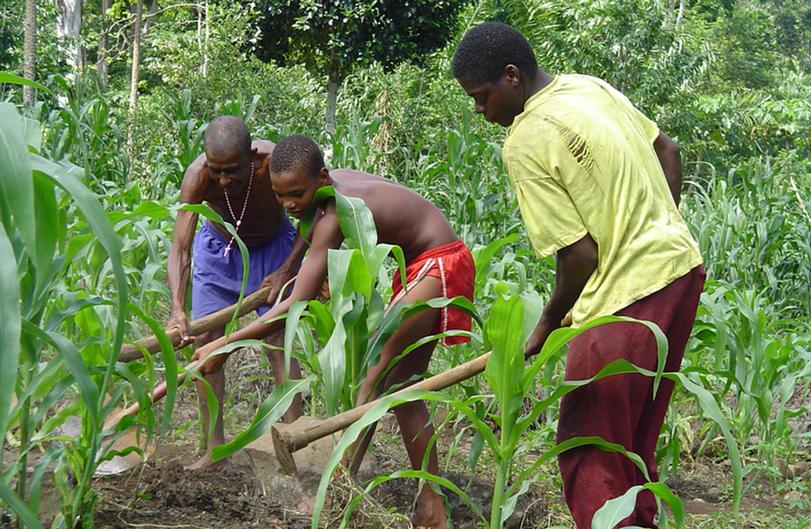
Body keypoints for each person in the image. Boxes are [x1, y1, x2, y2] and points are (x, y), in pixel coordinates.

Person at [452, 22, 705, 529]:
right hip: (680, 270)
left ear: (511, 77)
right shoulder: (590, 86)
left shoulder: (526, 139)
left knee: (590, 454)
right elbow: (668, 151)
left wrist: (545, 324)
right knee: (630, 444)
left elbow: (580, 256)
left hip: (624, 299)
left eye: (481, 98)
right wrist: (653, 231)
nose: (479, 112)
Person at [192, 134, 474, 529]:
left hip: (437, 262)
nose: (289, 205)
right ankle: (430, 502)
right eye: (279, 196)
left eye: (296, 194)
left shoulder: (333, 214)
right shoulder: (327, 188)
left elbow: (290, 308)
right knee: (401, 389)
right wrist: (288, 270)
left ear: (320, 177)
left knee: (375, 376)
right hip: (428, 260)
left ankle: (339, 488)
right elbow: (307, 242)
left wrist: (223, 344)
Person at [167, 116, 306, 470]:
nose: (224, 180)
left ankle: (296, 442)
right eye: (217, 171)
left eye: (232, 170)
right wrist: (177, 310)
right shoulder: (198, 177)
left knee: (279, 338)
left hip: (274, 250)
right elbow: (180, 249)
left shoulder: (274, 162)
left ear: (253, 156)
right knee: (207, 351)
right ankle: (214, 450)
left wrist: (287, 270)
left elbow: (315, 215)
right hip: (219, 251)